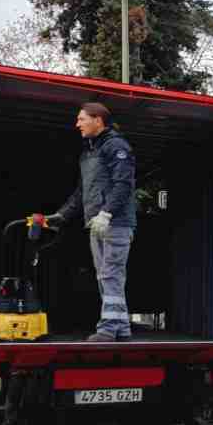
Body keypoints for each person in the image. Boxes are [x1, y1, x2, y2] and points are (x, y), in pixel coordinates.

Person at [44, 102, 137, 342]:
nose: (77, 124)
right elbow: (82, 191)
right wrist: (61, 216)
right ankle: (121, 327)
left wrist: (107, 213)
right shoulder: (89, 152)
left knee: (111, 274)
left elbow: (123, 184)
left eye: (82, 119)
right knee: (105, 275)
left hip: (115, 223)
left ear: (98, 120)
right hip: (96, 223)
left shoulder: (116, 146)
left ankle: (108, 328)